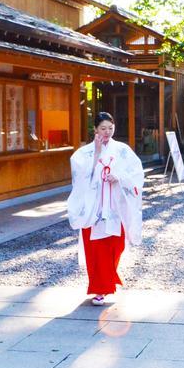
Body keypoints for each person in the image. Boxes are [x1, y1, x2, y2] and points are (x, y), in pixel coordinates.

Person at [66, 112, 144, 306]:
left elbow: (136, 173)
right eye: (103, 128)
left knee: (116, 247)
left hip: (115, 209)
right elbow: (79, 178)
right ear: (95, 129)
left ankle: (109, 280)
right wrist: (97, 156)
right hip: (94, 211)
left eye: (110, 128)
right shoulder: (84, 153)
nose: (107, 132)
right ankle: (100, 289)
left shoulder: (122, 150)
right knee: (96, 251)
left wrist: (119, 177)